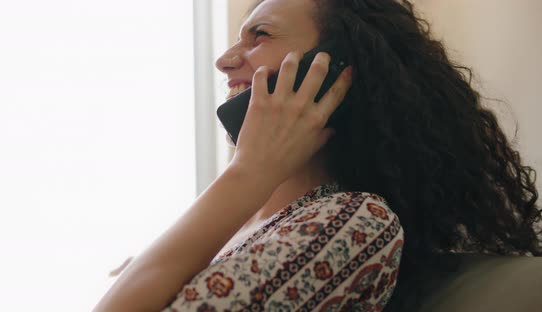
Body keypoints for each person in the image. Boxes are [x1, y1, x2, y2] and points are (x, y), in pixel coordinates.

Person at [94, 0, 542, 311]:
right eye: (237, 39)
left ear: (331, 73)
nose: (226, 60)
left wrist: (248, 171)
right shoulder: (242, 224)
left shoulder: (354, 222)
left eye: (260, 35)